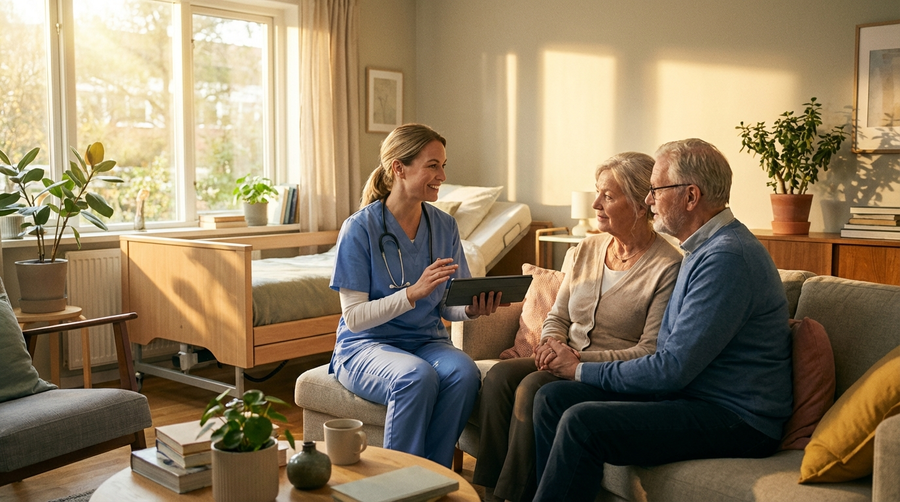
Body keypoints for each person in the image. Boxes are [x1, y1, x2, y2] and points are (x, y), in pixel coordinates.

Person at [530, 138, 793, 501]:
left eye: (656, 189)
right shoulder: (700, 249)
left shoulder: (726, 258)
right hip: (690, 397)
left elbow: (671, 367)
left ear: (690, 196)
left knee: (582, 423)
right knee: (552, 398)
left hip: (736, 418)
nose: (649, 200)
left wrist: (579, 369)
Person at [472, 152, 682, 502]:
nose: (596, 203)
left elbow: (650, 349)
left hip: (610, 373)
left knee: (533, 387)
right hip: (564, 359)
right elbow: (558, 314)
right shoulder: (587, 248)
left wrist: (578, 361)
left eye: (608, 196)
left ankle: (513, 496)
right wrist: (550, 343)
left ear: (641, 205)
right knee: (498, 377)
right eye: (597, 192)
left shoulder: (667, 267)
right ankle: (485, 490)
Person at [328, 123, 504, 468]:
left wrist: (471, 309)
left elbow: (448, 304)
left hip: (426, 341)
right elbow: (355, 318)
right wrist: (411, 293)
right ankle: (399, 480)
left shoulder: (444, 226)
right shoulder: (359, 228)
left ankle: (432, 476)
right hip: (366, 345)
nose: (442, 175)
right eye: (432, 165)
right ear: (399, 168)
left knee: (464, 372)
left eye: (443, 165)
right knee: (415, 376)